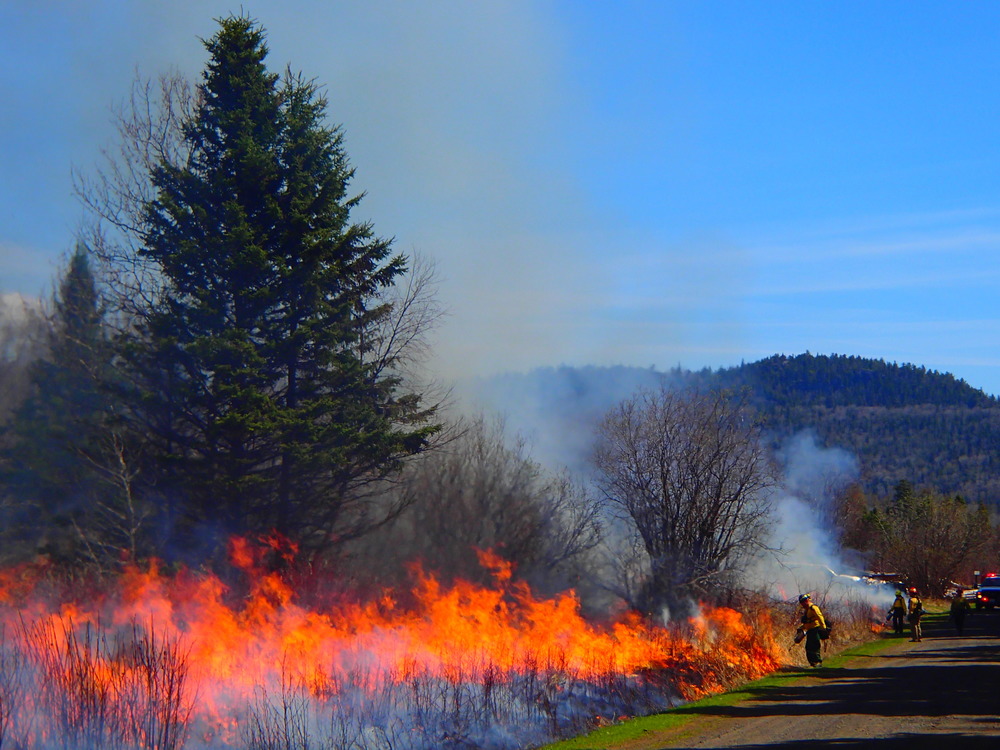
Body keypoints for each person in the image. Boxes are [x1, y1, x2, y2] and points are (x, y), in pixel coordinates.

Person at [795, 593, 827, 668]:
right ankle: (812, 663)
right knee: (808, 647)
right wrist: (802, 627)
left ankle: (818, 663)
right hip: (810, 630)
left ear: (807, 600)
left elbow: (820, 617)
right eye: (801, 602)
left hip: (815, 629)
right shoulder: (807, 610)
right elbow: (808, 621)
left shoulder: (813, 608)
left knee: (815, 646)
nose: (803, 603)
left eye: (804, 601)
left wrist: (823, 628)